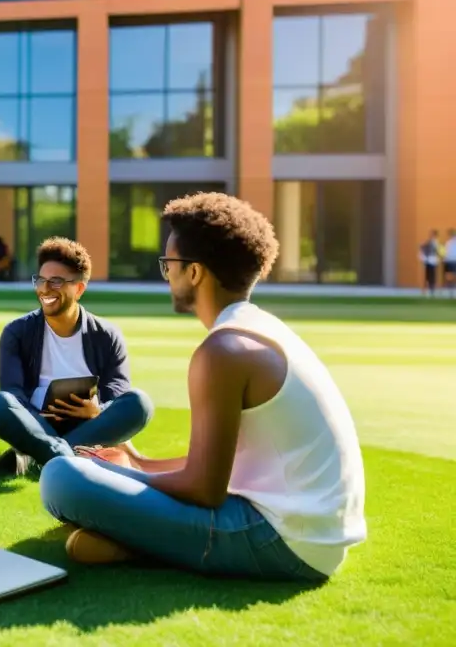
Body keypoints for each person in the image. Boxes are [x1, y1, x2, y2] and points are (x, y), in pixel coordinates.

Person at [40, 192, 367, 583]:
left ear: (194, 272)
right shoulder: (261, 329)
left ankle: (137, 542)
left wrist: (124, 477)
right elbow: (219, 467)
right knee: (88, 472)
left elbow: (204, 489)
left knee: (62, 478)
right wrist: (140, 463)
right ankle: (133, 541)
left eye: (169, 265)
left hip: (281, 542)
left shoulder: (223, 351)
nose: (168, 276)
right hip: (312, 537)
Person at [0, 237, 154, 476]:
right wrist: (37, 417)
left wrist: (96, 410)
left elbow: (117, 395)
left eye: (55, 281)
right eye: (41, 280)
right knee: (0, 404)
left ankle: (41, 459)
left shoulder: (106, 336)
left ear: (79, 289)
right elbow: (13, 394)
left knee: (140, 403)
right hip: (35, 424)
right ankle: (63, 455)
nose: (45, 288)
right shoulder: (17, 332)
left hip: (89, 425)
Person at [419, 231, 441, 297]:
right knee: (427, 276)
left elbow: (438, 252)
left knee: (432, 277)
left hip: (433, 262)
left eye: (433, 235)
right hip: (428, 261)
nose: (432, 236)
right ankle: (425, 290)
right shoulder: (428, 242)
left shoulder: (436, 243)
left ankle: (432, 290)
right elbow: (422, 248)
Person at [443, 229, 456, 299]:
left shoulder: (448, 243)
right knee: (450, 277)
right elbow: (445, 252)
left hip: (452, 261)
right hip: (450, 261)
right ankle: (451, 291)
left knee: (451, 277)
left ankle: (452, 291)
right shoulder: (448, 243)